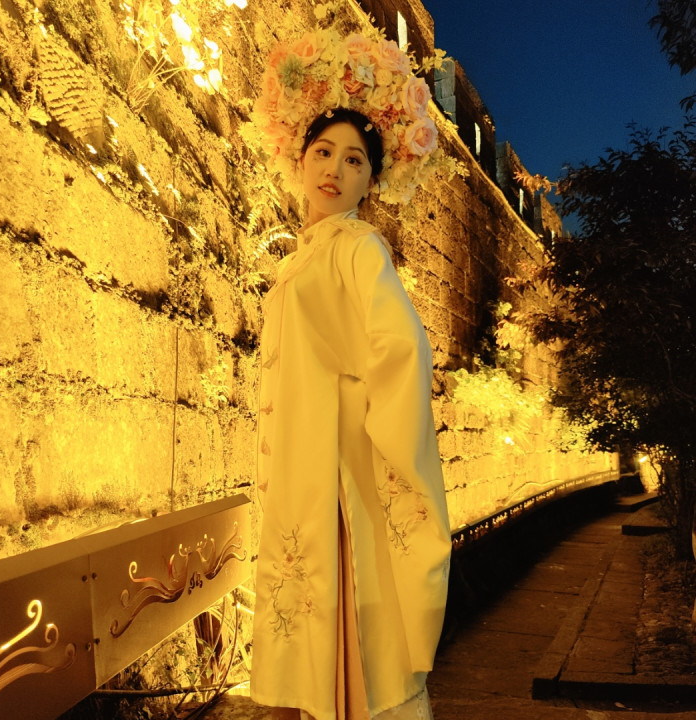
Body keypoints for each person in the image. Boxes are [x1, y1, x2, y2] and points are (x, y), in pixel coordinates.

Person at [248, 26, 453, 720]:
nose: (334, 168)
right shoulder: (301, 257)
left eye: (355, 159)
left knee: (354, 643)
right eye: (324, 151)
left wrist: (371, 431)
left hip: (339, 471)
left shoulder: (359, 247)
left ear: (372, 179)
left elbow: (401, 351)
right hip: (301, 466)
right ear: (300, 158)